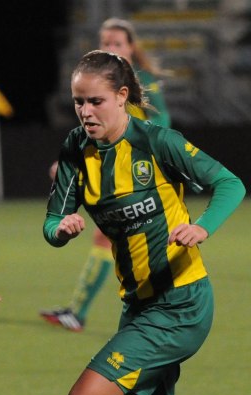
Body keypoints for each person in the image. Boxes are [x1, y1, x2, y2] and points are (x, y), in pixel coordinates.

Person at [43, 50, 245, 395]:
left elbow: (229, 184)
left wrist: (202, 228)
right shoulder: (77, 149)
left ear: (122, 97)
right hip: (138, 307)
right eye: (78, 103)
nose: (86, 112)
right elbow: (52, 221)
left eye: (95, 101)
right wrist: (62, 228)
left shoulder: (156, 141)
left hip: (182, 303)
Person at [40, 18, 172, 331]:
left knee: (125, 240)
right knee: (116, 240)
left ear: (130, 47)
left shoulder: (141, 83)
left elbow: (161, 122)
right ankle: (81, 311)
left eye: (117, 43)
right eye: (105, 42)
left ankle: (83, 312)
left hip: (139, 175)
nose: (110, 48)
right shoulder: (103, 87)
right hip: (116, 173)